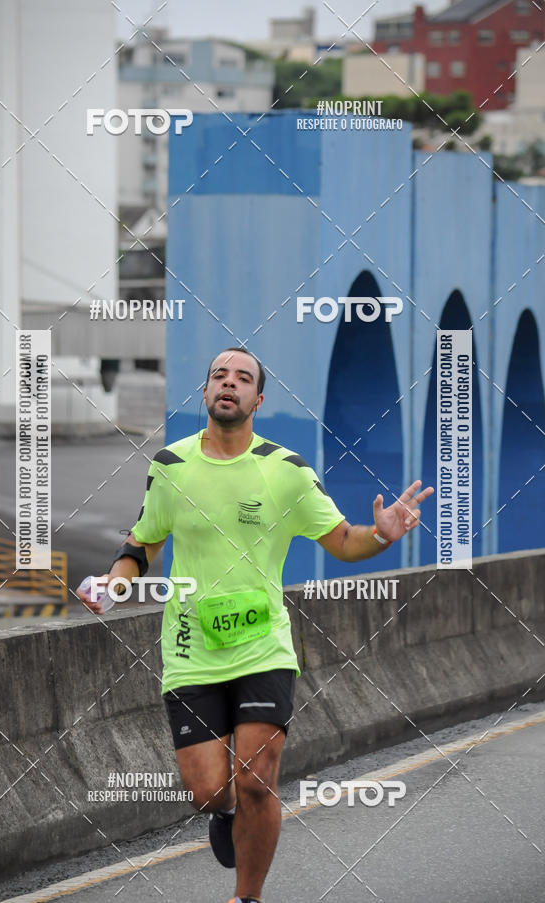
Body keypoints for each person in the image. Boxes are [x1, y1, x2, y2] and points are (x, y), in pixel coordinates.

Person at [78, 347, 433, 903]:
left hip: (263, 646)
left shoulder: (286, 472)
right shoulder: (171, 466)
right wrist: (112, 584)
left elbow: (342, 541)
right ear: (205, 393)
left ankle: (247, 897)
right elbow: (142, 543)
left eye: (243, 378)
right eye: (219, 374)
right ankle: (221, 813)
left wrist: (383, 532)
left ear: (257, 400)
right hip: (192, 647)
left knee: (256, 778)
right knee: (208, 790)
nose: (230, 383)